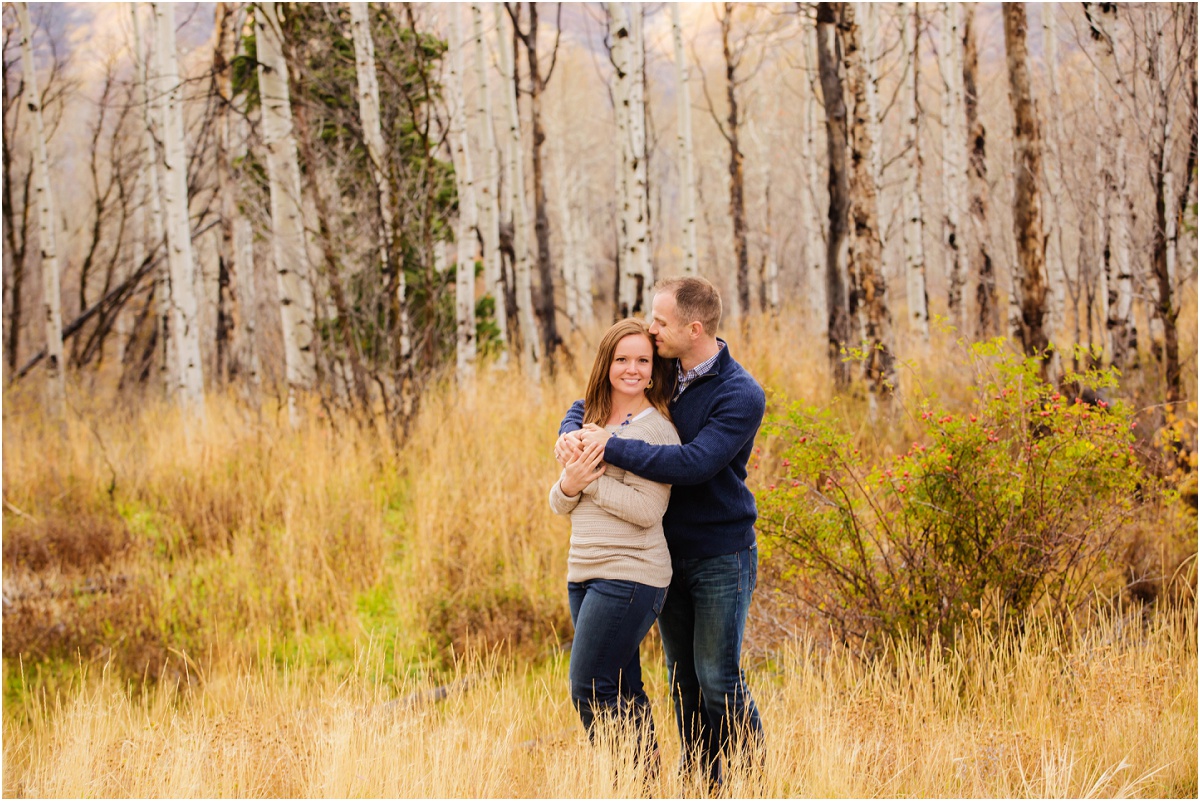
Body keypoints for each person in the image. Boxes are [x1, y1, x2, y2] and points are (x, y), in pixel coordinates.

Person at [555, 276, 766, 786]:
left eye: (660, 322)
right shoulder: (664, 366)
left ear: (694, 329)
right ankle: (697, 780)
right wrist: (571, 434)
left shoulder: (740, 394)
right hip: (669, 552)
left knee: (718, 679)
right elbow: (597, 396)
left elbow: (692, 464)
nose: (651, 332)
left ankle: (752, 782)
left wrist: (603, 450)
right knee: (682, 681)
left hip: (721, 553)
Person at [548, 318, 681, 768]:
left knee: (588, 685)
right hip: (583, 571)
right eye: (622, 359)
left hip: (632, 573)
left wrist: (589, 484)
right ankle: (643, 780)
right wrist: (571, 484)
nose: (633, 368)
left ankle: (631, 778)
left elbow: (648, 511)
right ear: (606, 363)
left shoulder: (658, 430)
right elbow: (559, 501)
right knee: (622, 685)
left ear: (653, 368)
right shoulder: (585, 422)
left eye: (643, 360)